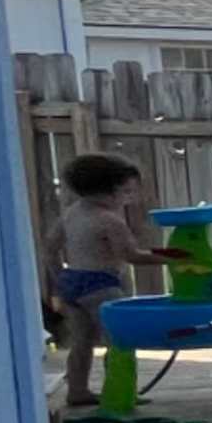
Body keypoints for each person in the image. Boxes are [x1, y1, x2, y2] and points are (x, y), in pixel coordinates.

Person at [47, 153, 166, 409]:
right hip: (101, 285)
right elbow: (131, 255)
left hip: (72, 281)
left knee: (81, 342)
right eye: (126, 192)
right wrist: (170, 259)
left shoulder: (72, 213)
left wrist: (60, 277)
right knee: (120, 341)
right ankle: (121, 393)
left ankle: (77, 391)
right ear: (107, 192)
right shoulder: (110, 220)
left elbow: (50, 247)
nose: (129, 199)